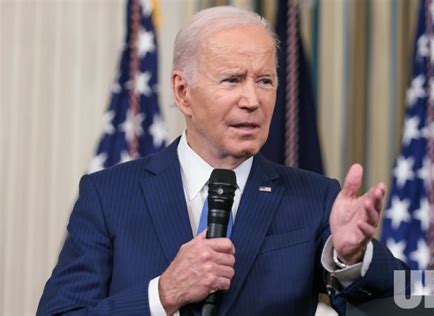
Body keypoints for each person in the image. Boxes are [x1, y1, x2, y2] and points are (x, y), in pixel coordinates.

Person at [38, 6, 407, 316]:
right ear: (183, 92)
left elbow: (402, 304)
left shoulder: (315, 198)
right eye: (232, 80)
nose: (252, 100)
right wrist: (163, 294)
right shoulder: (109, 195)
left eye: (264, 81)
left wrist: (352, 257)